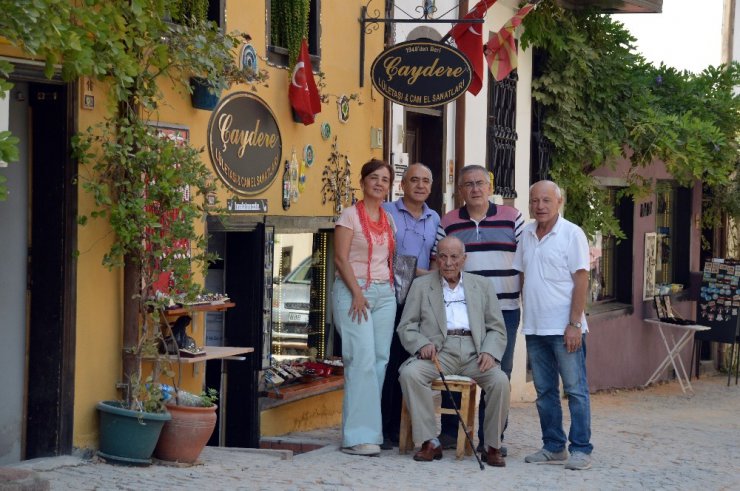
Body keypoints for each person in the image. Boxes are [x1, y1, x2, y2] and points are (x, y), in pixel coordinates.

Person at [432, 165, 523, 455]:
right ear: (460, 190)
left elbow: (527, 259)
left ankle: (492, 439)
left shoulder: (513, 217)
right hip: (460, 308)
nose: (475, 189)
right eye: (468, 184)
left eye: (480, 183)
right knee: (454, 367)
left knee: (499, 372)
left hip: (505, 309)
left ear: (490, 186)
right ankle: (448, 433)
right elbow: (439, 263)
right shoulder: (448, 221)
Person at [397, 236, 510, 466]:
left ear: (464, 259)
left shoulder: (482, 285)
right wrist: (421, 344)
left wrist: (489, 352)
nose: (448, 262)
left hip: (474, 352)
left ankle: (492, 446)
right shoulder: (421, 285)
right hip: (439, 352)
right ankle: (430, 441)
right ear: (436, 258)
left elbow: (497, 328)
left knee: (500, 381)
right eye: (443, 256)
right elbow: (406, 326)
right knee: (410, 374)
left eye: (454, 257)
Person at [512, 180, 593, 471]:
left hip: (565, 329)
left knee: (575, 389)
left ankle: (581, 449)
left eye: (546, 200)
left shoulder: (572, 234)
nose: (540, 206)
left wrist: (574, 323)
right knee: (545, 392)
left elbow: (581, 279)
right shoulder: (526, 234)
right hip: (535, 328)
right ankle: (553, 446)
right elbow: (523, 276)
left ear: (559, 202)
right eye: (535, 201)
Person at [332, 159, 397, 457]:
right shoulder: (348, 216)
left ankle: (365, 430)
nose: (379, 183)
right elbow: (340, 259)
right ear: (363, 181)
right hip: (354, 290)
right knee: (360, 359)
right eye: (374, 177)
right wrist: (357, 293)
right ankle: (358, 437)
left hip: (385, 294)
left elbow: (388, 260)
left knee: (380, 360)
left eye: (385, 179)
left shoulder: (388, 219)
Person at [379, 163, 440, 449]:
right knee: (389, 363)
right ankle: (384, 427)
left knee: (409, 363)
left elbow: (438, 258)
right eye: (414, 180)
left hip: (420, 302)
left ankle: (404, 427)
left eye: (425, 181)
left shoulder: (435, 218)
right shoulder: (388, 212)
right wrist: (423, 273)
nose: (420, 185)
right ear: (402, 185)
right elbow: (385, 256)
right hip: (389, 297)